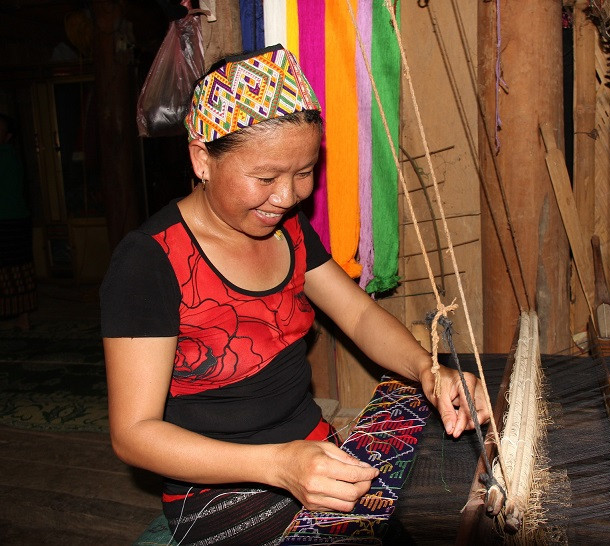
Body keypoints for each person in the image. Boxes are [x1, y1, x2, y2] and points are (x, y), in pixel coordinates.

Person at [100, 45, 488, 544]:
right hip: (218, 491)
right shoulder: (149, 262)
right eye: (265, 178)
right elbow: (133, 434)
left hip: (310, 451)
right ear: (202, 158)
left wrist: (427, 371)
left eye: (304, 173)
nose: (286, 197)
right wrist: (279, 465)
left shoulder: (288, 229)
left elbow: (358, 316)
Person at [0, 113, 36, 332]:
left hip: (10, 222)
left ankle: (23, 318)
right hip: (14, 220)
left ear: (7, 136)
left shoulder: (8, 157)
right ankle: (21, 317)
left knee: (17, 270)